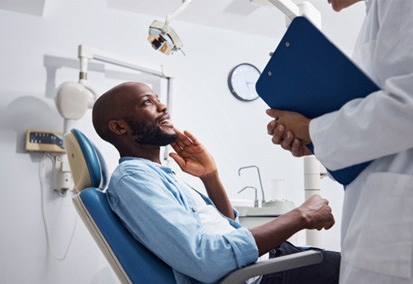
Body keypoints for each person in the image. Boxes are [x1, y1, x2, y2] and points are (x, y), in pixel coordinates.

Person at [266, 0, 413, 283]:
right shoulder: (376, 16)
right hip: (387, 218)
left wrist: (315, 130)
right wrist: (314, 140)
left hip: (411, 226)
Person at [92, 81, 340, 284]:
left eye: (157, 98)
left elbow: (227, 229)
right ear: (118, 127)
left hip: (266, 265)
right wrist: (301, 216)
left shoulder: (155, 174)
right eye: (147, 102)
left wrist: (210, 177)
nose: (163, 106)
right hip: (264, 275)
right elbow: (208, 258)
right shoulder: (134, 180)